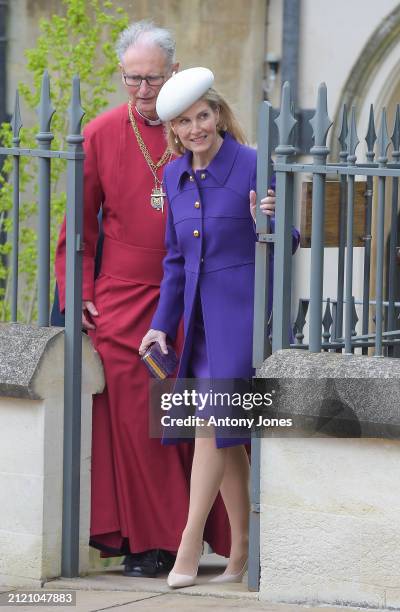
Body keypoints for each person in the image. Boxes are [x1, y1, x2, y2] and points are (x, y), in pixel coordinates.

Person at [54, 21, 234, 579]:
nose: (142, 90)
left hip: (197, 290)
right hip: (125, 297)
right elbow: (77, 232)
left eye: (152, 78)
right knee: (141, 418)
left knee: (202, 410)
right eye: (132, 78)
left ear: (174, 72)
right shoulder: (103, 132)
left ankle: (212, 535)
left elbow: (237, 197)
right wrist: (79, 295)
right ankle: (153, 542)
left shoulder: (196, 127)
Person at [139, 67, 295, 588]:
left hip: (241, 320)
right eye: (184, 122)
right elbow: (174, 261)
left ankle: (189, 544)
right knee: (226, 437)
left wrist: (266, 222)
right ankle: (245, 546)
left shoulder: (253, 165)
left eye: (202, 115)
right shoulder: (173, 176)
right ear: (174, 132)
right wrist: (161, 326)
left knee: (210, 427)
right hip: (198, 328)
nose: (195, 128)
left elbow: (291, 237)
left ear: (219, 115)